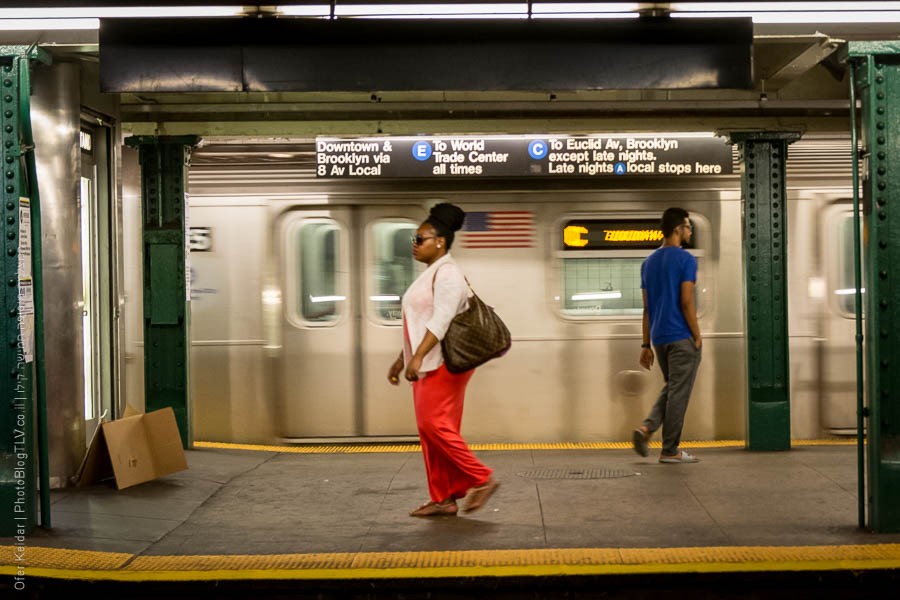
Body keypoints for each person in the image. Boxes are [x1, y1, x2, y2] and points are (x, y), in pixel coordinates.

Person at [387, 203, 499, 517]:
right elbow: (420, 322)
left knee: (433, 425)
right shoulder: (431, 274)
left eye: (419, 238)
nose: (414, 244)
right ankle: (444, 498)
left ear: (440, 241)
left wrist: (418, 356)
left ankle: (482, 478)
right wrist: (403, 359)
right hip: (426, 362)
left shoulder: (448, 273)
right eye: (414, 238)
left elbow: (442, 320)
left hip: (442, 363)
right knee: (430, 430)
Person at [632, 207, 702, 464]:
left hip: (659, 338)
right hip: (681, 335)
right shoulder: (686, 260)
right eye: (687, 226)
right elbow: (686, 301)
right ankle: (670, 450)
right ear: (677, 230)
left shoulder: (648, 263)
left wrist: (645, 344)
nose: (690, 230)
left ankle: (647, 429)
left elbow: (647, 308)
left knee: (673, 388)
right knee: (679, 394)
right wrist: (697, 335)